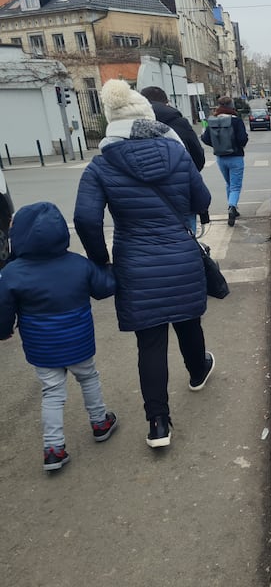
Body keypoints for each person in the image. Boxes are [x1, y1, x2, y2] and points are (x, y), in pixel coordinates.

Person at [74, 79, 215, 449]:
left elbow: (86, 220)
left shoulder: (100, 167)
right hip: (181, 256)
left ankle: (158, 424)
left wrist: (101, 262)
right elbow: (203, 197)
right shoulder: (178, 153)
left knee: (150, 343)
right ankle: (198, 370)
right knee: (187, 320)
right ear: (148, 117)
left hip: (135, 263)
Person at [0, 202, 118, 471]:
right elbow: (103, 288)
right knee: (88, 378)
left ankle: (53, 449)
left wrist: (4, 330)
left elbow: (3, 309)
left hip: (42, 347)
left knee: (52, 392)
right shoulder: (78, 264)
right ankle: (100, 423)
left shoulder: (11, 273)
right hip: (79, 341)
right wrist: (114, 270)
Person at [201, 95, 249, 227]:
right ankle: (232, 207)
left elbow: (205, 138)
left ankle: (232, 207)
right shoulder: (236, 121)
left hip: (221, 158)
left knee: (228, 183)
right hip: (236, 157)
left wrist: (217, 145)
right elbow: (242, 139)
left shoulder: (213, 120)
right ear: (231, 106)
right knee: (235, 186)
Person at [140, 85, 205, 172]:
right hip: (180, 174)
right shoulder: (180, 122)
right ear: (166, 102)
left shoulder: (133, 125)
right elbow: (197, 154)